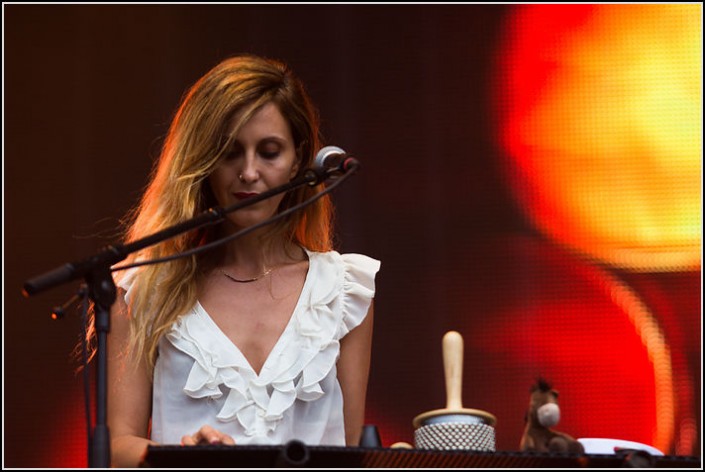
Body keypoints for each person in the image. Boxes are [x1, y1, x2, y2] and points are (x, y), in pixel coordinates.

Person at [101, 54, 380, 468]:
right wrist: (181, 457)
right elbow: (115, 446)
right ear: (204, 163)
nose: (249, 172)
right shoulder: (142, 288)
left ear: (299, 160)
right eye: (230, 153)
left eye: (269, 152)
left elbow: (351, 448)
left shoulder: (344, 290)